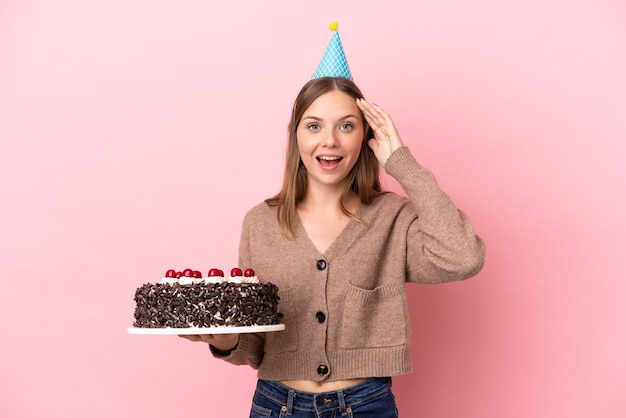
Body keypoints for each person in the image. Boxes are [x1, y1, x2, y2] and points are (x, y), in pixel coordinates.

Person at [180, 76, 486, 417]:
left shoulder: (392, 218)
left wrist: (401, 162)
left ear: (365, 137)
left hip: (366, 406)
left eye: (346, 126)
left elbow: (463, 257)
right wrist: (224, 341)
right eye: (314, 126)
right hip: (276, 406)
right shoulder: (260, 223)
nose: (330, 141)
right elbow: (255, 345)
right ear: (296, 135)